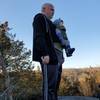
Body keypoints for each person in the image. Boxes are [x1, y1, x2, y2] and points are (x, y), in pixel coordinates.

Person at [32, 3, 62, 100]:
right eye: (52, 9)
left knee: (54, 86)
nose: (53, 12)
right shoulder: (39, 17)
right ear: (44, 9)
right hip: (47, 57)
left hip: (56, 58)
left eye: (54, 10)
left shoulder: (51, 24)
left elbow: (57, 40)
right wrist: (44, 53)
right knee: (49, 87)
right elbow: (38, 36)